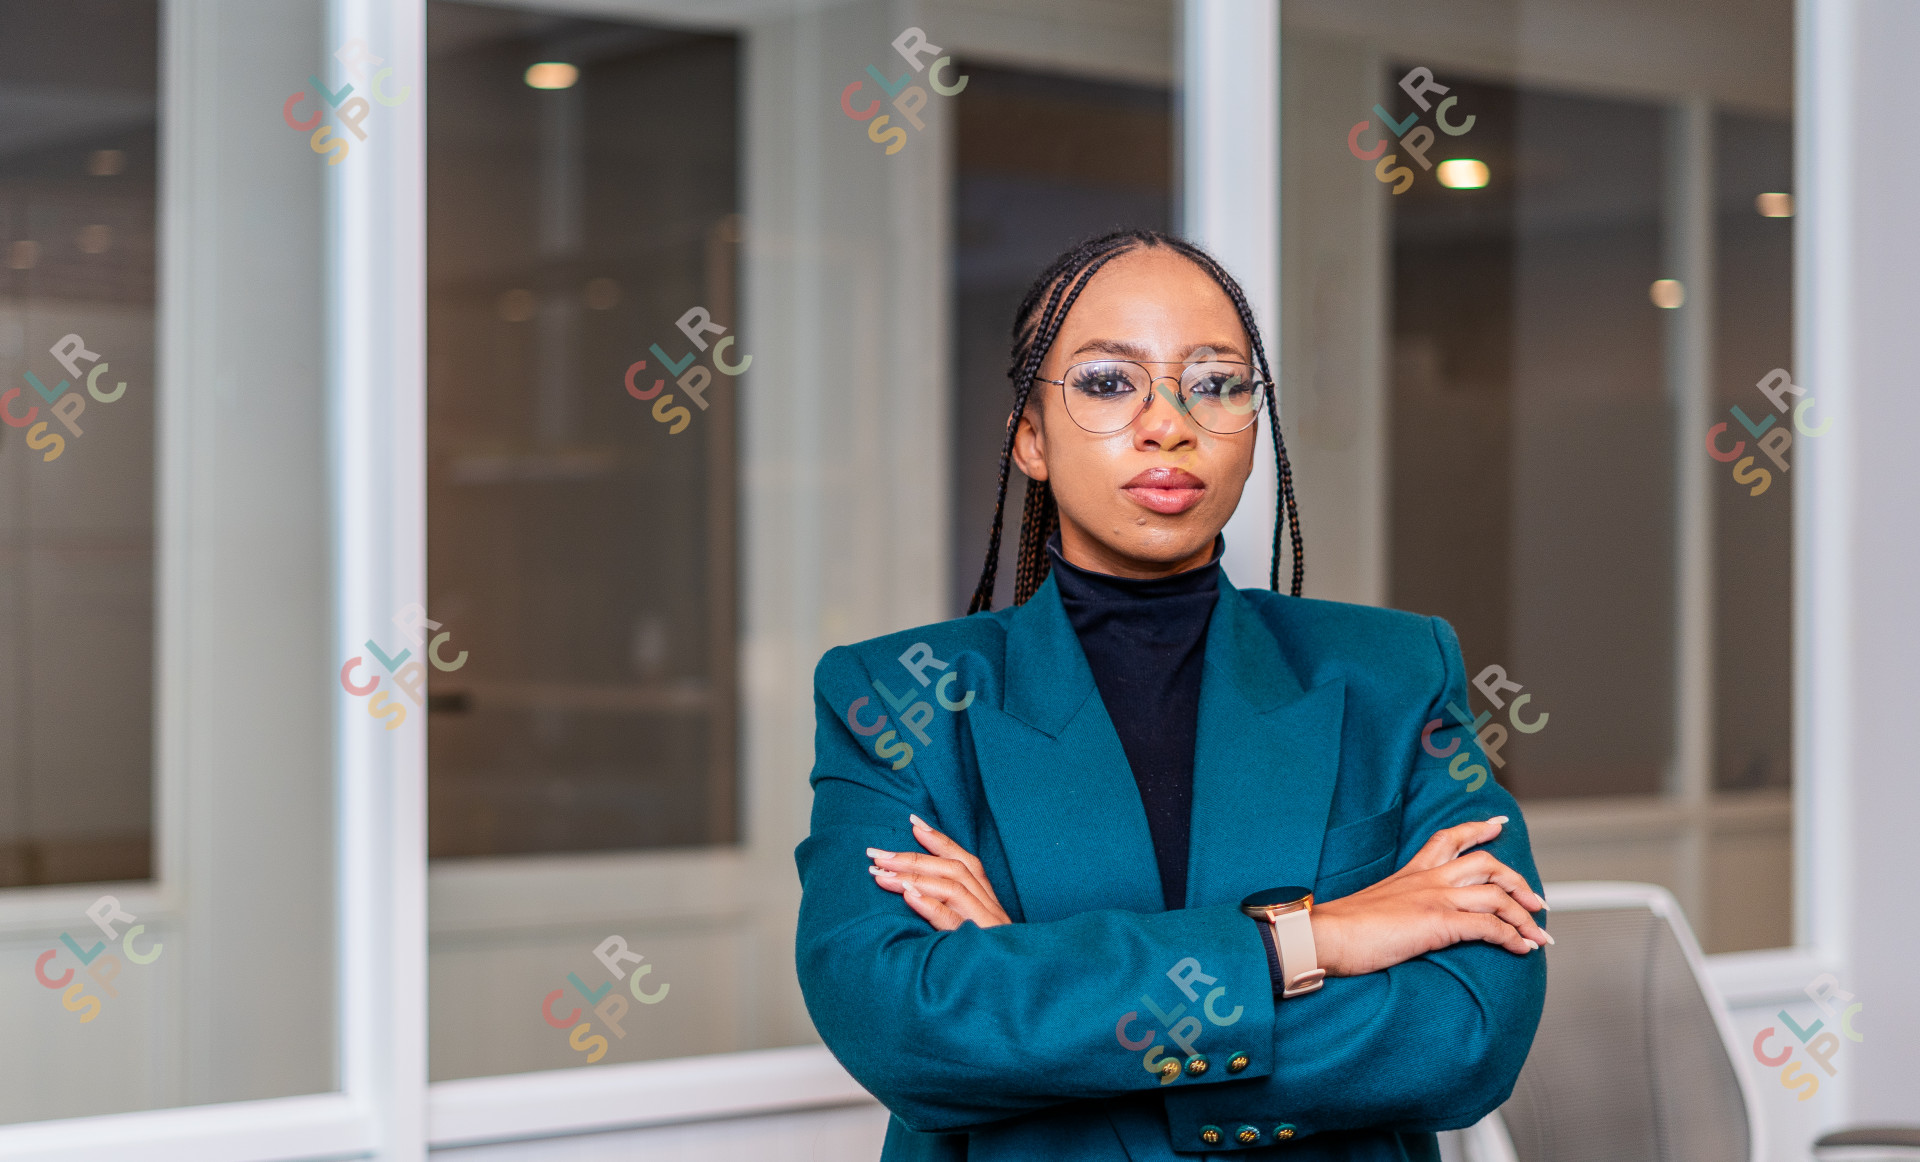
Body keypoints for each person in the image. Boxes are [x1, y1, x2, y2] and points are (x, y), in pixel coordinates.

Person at [793, 229, 1549, 1161]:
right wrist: (1311, 942)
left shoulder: (1396, 672)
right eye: (1110, 382)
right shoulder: (897, 699)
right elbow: (903, 1032)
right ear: (1029, 436)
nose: (1169, 423)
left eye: (1217, 383)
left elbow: (1465, 1038)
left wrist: (1022, 981)